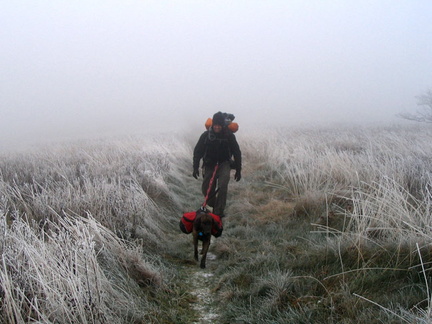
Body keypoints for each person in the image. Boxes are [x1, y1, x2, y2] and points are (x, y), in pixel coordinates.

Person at [193, 111, 242, 218]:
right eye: (215, 125)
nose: (217, 127)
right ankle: (213, 204)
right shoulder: (206, 136)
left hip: (224, 163)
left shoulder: (229, 136)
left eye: (219, 125)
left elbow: (237, 152)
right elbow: (198, 152)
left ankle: (218, 213)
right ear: (212, 124)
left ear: (223, 125)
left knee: (223, 186)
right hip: (209, 164)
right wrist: (195, 167)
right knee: (206, 188)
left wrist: (238, 170)